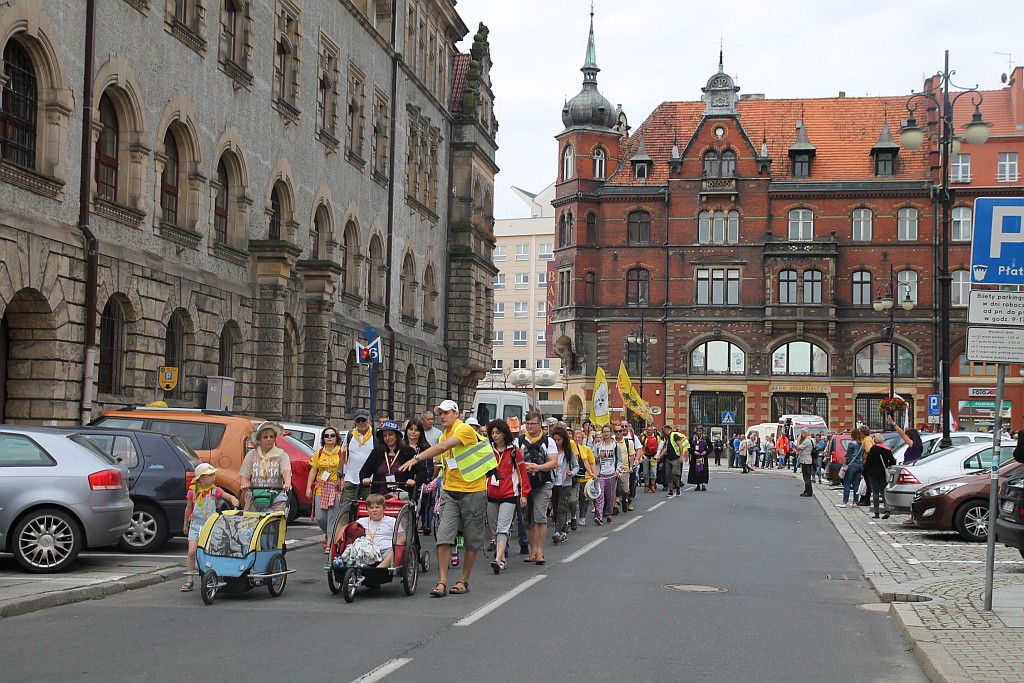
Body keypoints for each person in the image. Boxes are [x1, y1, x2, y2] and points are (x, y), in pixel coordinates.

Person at [399, 399, 491, 597]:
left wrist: (416, 458)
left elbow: (441, 450)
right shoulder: (444, 436)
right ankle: (442, 582)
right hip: (450, 490)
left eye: (446, 413)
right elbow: (442, 464)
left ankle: (463, 580)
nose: (442, 416)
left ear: (456, 414)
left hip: (473, 490)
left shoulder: (464, 429)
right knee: (443, 536)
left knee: (472, 539)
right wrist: (430, 482)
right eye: (440, 413)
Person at [181, 463, 238, 591]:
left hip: (211, 525)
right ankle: (189, 579)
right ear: (201, 478)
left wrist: (233, 499)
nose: (213, 478)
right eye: (210, 475)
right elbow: (189, 508)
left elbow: (226, 496)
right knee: (191, 551)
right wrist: (185, 524)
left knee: (211, 551)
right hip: (196, 524)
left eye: (213, 475)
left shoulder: (215, 490)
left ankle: (213, 576)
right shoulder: (193, 491)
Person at [485, 419, 530, 573]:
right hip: (491, 494)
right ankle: (502, 558)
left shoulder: (514, 451)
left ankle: (497, 559)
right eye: (492, 433)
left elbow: (522, 474)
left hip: (509, 494)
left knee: (503, 527)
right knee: (494, 527)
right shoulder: (487, 450)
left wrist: (524, 494)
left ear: (504, 433)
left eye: (498, 432)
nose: (495, 436)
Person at [516, 410, 559, 563]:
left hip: (543, 483)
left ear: (540, 424)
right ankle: (533, 549)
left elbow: (554, 462)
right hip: (524, 485)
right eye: (527, 424)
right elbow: (514, 461)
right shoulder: (519, 441)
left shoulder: (549, 441)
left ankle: (540, 551)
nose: (530, 426)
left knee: (540, 516)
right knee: (527, 518)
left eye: (533, 424)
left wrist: (538, 467)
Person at [359, 420, 423, 497]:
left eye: (390, 434)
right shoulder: (377, 452)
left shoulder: (408, 452)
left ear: (397, 435)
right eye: (385, 435)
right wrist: (364, 479)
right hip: (379, 498)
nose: (387, 438)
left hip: (402, 497)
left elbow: (422, 471)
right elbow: (364, 471)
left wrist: (414, 481)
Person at [307, 426, 344, 552]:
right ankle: (329, 534)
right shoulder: (319, 453)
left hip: (335, 486)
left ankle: (329, 543)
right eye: (326, 435)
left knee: (332, 517)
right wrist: (308, 487)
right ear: (323, 438)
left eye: (332, 435)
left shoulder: (341, 452)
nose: (329, 438)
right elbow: (313, 470)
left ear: (336, 438)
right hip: (321, 487)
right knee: (321, 517)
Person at [239, 421, 291, 511]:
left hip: (276, 496)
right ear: (259, 439)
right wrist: (245, 483)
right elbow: (244, 475)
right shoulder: (251, 455)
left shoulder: (282, 455)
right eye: (265, 437)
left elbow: (286, 471)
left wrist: (287, 483)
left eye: (271, 437)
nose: (269, 439)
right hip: (255, 496)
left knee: (274, 521)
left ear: (275, 439)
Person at [339, 409, 375, 527]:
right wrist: (340, 475)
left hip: (368, 480)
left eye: (363, 420)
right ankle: (343, 535)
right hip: (351, 478)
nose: (360, 423)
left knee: (369, 510)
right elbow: (343, 455)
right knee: (345, 509)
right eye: (358, 420)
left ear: (369, 420)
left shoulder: (374, 436)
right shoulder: (350, 435)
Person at [357, 493, 403, 568]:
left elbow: (402, 537)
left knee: (393, 552)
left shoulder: (392, 521)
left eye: (377, 507)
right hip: (367, 550)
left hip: (386, 550)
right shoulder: (361, 521)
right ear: (367, 509)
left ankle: (378, 569)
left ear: (384, 508)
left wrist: (395, 546)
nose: (374, 510)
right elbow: (346, 530)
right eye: (371, 508)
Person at [550, 425, 579, 544]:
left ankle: (557, 532)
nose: (557, 442)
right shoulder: (551, 451)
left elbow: (576, 466)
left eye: (559, 440)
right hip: (553, 483)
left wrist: (572, 473)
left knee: (562, 508)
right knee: (555, 508)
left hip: (565, 483)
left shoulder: (568, 451)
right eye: (555, 440)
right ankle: (562, 532)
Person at [405, 418, 434, 533]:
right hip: (405, 481)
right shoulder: (401, 445)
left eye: (416, 430)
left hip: (421, 481)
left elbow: (430, 465)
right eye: (410, 429)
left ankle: (423, 524)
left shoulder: (425, 447)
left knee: (421, 506)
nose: (413, 432)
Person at [593, 424, 621, 525]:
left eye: (607, 432)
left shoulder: (615, 445)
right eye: (604, 432)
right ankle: (599, 516)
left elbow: (619, 460)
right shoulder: (598, 445)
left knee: (610, 496)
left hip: (611, 474)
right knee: (600, 496)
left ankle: (609, 514)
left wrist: (618, 470)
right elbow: (593, 458)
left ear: (611, 433)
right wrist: (598, 456)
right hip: (601, 474)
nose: (605, 434)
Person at [863, 432, 895, 519]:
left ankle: (876, 512)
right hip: (882, 473)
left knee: (875, 492)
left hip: (873, 473)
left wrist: (864, 472)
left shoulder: (873, 449)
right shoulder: (887, 449)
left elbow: (868, 462)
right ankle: (887, 509)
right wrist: (886, 464)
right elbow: (893, 461)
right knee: (883, 491)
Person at [572, 428, 598, 525]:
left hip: (585, 477)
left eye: (580, 437)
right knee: (574, 499)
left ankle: (582, 516)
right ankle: (573, 515)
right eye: (576, 437)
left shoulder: (587, 449)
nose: (578, 439)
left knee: (584, 498)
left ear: (583, 439)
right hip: (575, 477)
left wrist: (593, 474)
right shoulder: (572, 448)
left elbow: (591, 462)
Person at [658, 425, 687, 496]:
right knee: (668, 475)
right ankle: (670, 491)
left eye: (663, 430)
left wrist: (681, 456)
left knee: (675, 474)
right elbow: (666, 448)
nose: (662, 431)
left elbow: (680, 445)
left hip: (675, 458)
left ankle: (677, 488)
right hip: (668, 458)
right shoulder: (668, 437)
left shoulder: (674, 435)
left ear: (666, 429)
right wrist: (660, 456)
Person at [837, 437, 864, 508]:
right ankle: (855, 502)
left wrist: (847, 460)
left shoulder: (852, 444)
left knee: (847, 483)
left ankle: (845, 502)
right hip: (860, 465)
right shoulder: (862, 444)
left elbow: (848, 455)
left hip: (852, 465)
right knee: (856, 484)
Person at [640, 425, 661, 492]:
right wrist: (643, 456)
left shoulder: (656, 437)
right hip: (645, 456)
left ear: (653, 431)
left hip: (653, 456)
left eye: (650, 430)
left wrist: (657, 456)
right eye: (648, 430)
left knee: (653, 471)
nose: (649, 432)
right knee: (645, 472)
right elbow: (640, 447)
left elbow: (659, 447)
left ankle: (652, 485)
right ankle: (646, 485)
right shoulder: (643, 438)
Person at [796, 427, 814, 497]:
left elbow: (798, 447)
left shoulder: (807, 441)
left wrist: (798, 440)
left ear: (805, 433)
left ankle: (808, 491)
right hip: (808, 459)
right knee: (807, 477)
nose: (801, 435)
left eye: (802, 433)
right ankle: (807, 490)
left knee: (806, 477)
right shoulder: (811, 440)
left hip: (805, 461)